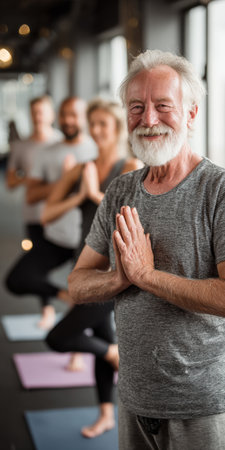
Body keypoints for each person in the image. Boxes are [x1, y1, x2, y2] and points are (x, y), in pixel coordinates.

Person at [67, 49, 225, 450]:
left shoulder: (217, 191)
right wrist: (121, 277)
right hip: (134, 399)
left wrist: (146, 277)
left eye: (163, 106)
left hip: (202, 407)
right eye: (136, 107)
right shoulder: (121, 190)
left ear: (190, 114)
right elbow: (77, 285)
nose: (148, 119)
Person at [43, 98, 142, 438]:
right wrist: (79, 193)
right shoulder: (80, 167)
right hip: (83, 268)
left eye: (105, 124)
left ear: (116, 129)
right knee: (101, 337)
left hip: (113, 276)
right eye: (93, 123)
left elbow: (129, 219)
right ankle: (105, 414)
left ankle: (112, 355)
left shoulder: (129, 165)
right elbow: (47, 214)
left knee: (58, 337)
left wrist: (92, 194)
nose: (97, 130)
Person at [5, 96, 97, 329]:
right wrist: (64, 182)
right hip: (54, 235)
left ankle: (87, 352)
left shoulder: (96, 149)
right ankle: (60, 300)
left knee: (94, 309)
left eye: (74, 115)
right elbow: (30, 194)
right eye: (64, 114)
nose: (68, 120)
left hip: (89, 241)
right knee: (17, 279)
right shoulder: (44, 151)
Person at [6, 95, 61, 247]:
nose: (38, 117)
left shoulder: (62, 143)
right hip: (33, 213)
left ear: (51, 114)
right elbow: (10, 182)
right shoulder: (21, 146)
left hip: (60, 212)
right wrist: (31, 178)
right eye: (34, 112)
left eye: (41, 112)